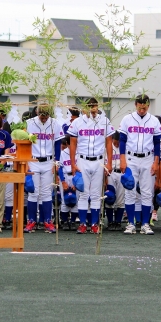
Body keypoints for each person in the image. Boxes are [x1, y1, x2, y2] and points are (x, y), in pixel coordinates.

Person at [68, 98, 114, 234]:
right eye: (89, 106)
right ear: (84, 108)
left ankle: (94, 224)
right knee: (82, 193)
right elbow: (72, 144)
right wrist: (72, 164)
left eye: (94, 106)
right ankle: (82, 224)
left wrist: (109, 162)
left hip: (99, 160)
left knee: (95, 194)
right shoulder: (77, 122)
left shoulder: (104, 121)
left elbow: (109, 143)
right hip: (82, 160)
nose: (92, 109)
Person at [118, 95, 161, 235]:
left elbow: (157, 143)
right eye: (139, 106)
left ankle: (145, 224)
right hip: (131, 158)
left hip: (148, 159)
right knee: (130, 191)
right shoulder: (127, 119)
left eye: (144, 107)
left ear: (148, 106)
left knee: (147, 193)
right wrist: (122, 159)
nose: (142, 109)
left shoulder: (154, 120)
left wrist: (156, 162)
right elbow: (122, 140)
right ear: (135, 105)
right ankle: (131, 224)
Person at [25, 104, 64, 233]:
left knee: (46, 193)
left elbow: (58, 144)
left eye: (46, 115)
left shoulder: (55, 123)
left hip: (48, 161)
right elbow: (24, 144)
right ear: (37, 113)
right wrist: (25, 162)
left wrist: (56, 163)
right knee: (33, 192)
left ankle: (47, 221)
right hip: (33, 160)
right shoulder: (29, 123)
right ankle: (31, 221)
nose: (44, 118)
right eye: (42, 115)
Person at [57, 136, 79, 230]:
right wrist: (63, 181)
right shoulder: (63, 153)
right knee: (64, 199)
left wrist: (76, 182)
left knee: (75, 200)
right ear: (67, 144)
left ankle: (73, 221)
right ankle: (65, 221)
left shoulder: (79, 153)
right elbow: (60, 168)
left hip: (76, 176)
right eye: (71, 143)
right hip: (66, 176)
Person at [105, 131, 126, 230]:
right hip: (110, 174)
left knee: (120, 199)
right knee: (109, 198)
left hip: (121, 173)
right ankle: (110, 222)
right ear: (112, 140)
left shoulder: (123, 147)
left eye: (118, 142)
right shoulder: (108, 148)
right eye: (115, 142)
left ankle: (118, 222)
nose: (117, 144)